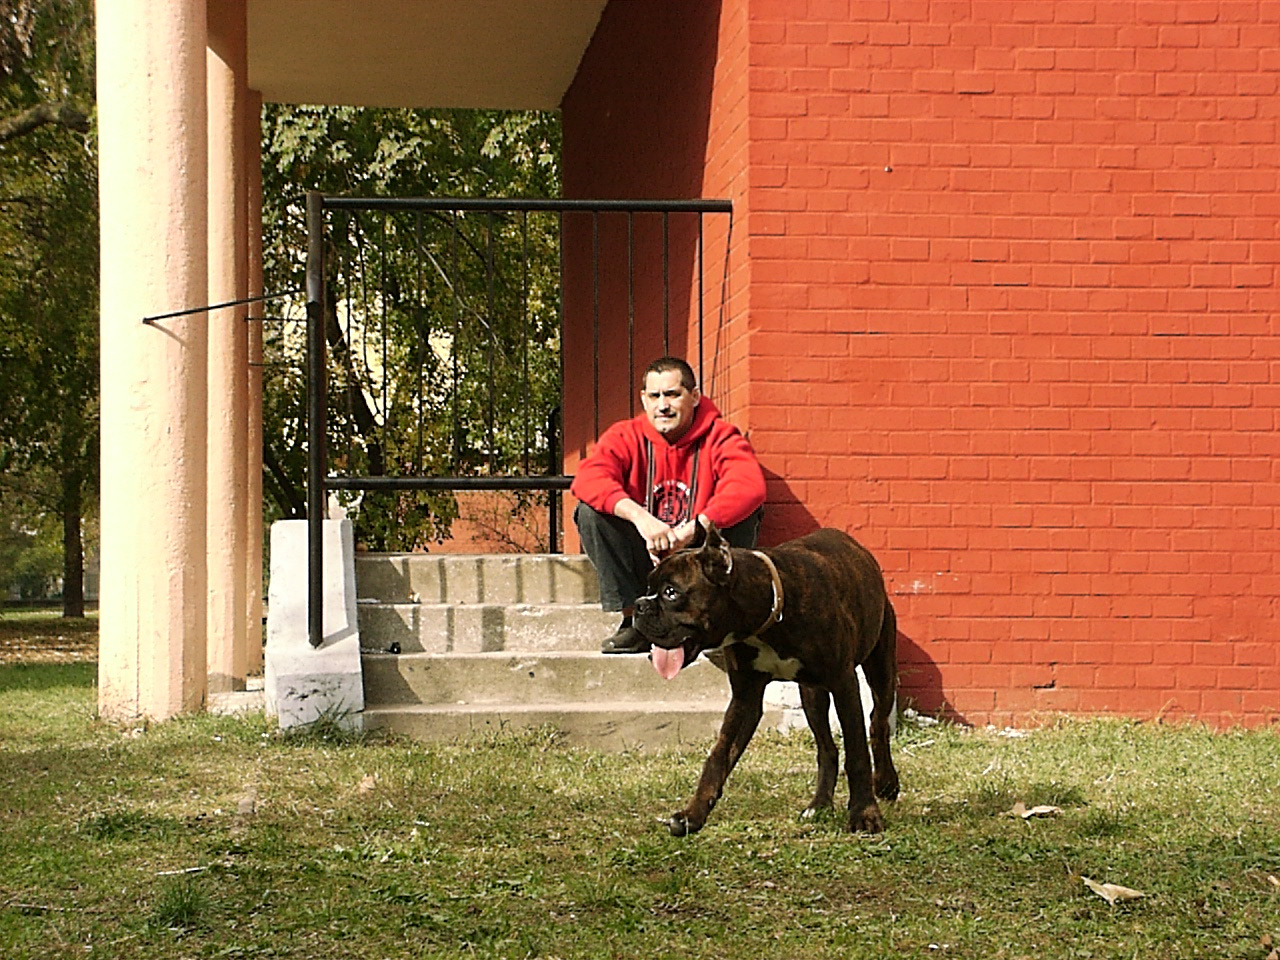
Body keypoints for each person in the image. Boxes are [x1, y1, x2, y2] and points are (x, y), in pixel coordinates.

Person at [571, 356, 767, 654]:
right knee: (589, 512)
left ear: (695, 396)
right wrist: (641, 519)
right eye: (655, 396)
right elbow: (588, 479)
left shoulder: (721, 436)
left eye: (673, 394)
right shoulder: (625, 435)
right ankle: (634, 621)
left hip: (698, 555)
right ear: (644, 399)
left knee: (746, 511)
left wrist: (694, 528)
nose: (663, 405)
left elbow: (748, 486)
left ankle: (724, 619)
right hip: (646, 551)